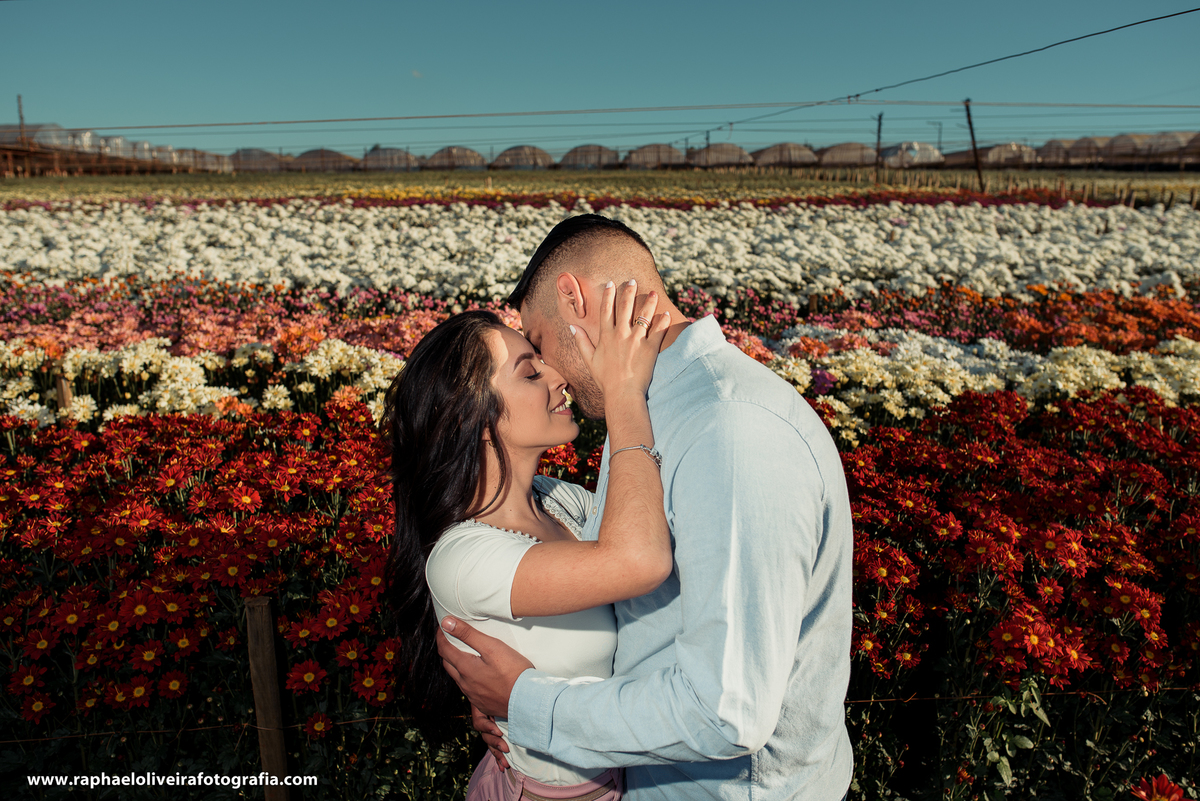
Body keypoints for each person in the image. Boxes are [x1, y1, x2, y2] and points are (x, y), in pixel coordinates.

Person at [436, 214, 855, 801]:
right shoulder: (651, 409)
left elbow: (726, 710)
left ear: (573, 298)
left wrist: (529, 705)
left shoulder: (728, 430)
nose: (551, 370)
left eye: (542, 343)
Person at [381, 281, 675, 801]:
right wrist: (622, 393)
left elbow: (651, 528)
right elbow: (639, 559)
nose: (558, 376)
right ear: (471, 416)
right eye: (530, 372)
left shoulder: (559, 500)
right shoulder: (462, 558)